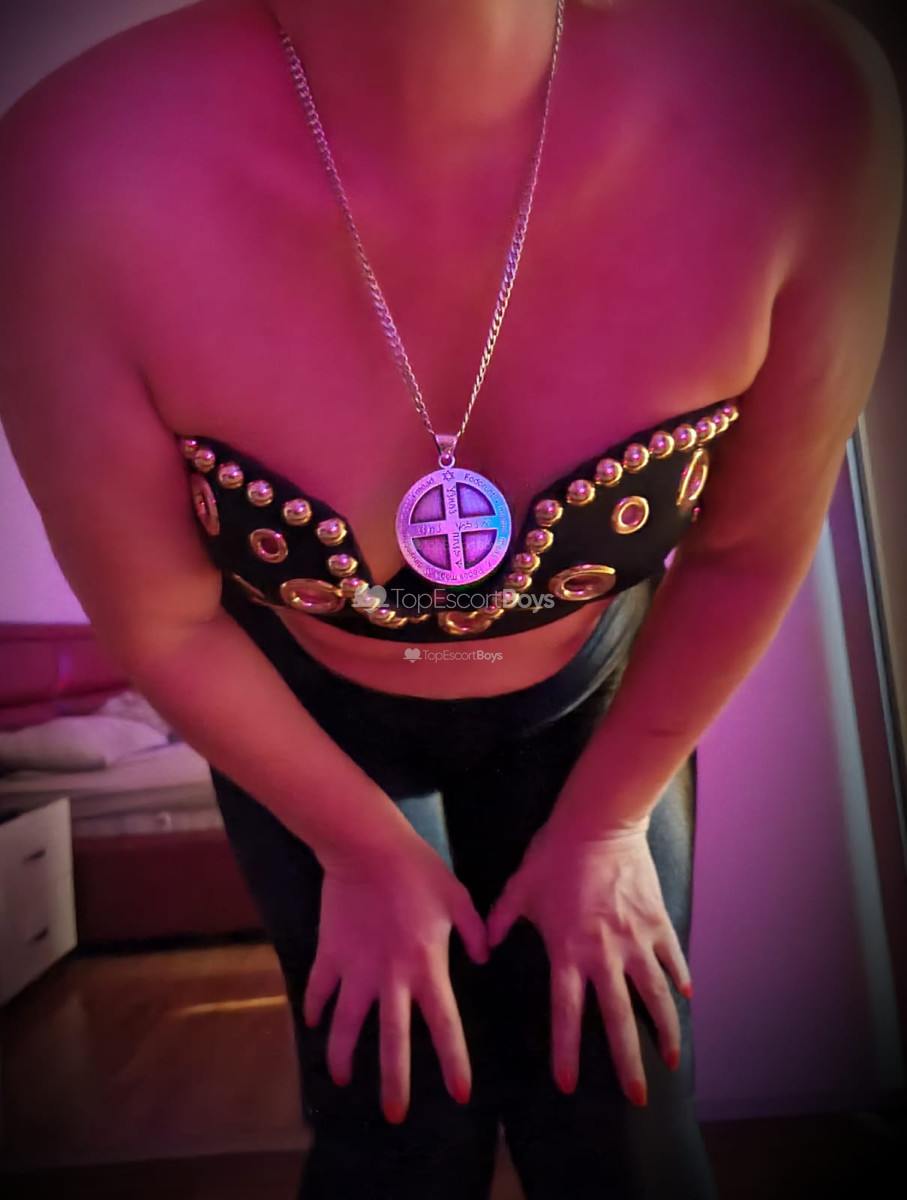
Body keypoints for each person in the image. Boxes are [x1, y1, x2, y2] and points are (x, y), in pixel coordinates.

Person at [0, 0, 901, 1196]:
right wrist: (361, 853)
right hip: (297, 723)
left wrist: (603, 827)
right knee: (396, 1121)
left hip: (594, 717)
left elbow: (745, 550)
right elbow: (164, 622)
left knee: (624, 1114)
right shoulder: (71, 166)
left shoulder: (797, 98)